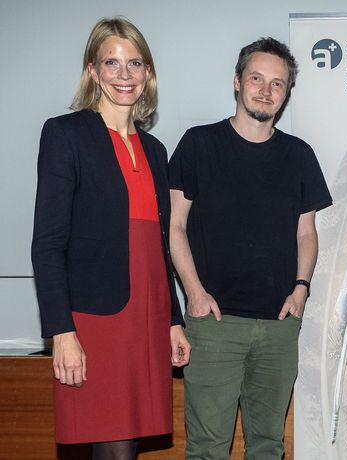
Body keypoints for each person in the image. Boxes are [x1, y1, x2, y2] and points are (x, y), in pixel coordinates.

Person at [31, 17, 190, 459]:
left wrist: (172, 320)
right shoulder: (65, 135)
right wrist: (61, 331)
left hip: (147, 316)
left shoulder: (155, 151)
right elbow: (47, 243)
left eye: (135, 63)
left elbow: (159, 246)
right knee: (112, 446)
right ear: (93, 71)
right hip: (96, 321)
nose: (124, 74)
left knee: (128, 443)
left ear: (148, 72)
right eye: (111, 63)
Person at [168, 37, 332, 460]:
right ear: (237, 81)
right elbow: (175, 227)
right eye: (257, 78)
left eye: (277, 83)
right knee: (207, 448)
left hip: (279, 326)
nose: (266, 90)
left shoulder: (299, 155)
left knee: (268, 446)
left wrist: (301, 289)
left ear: (286, 93)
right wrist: (194, 293)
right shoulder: (198, 144)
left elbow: (306, 233)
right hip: (214, 323)